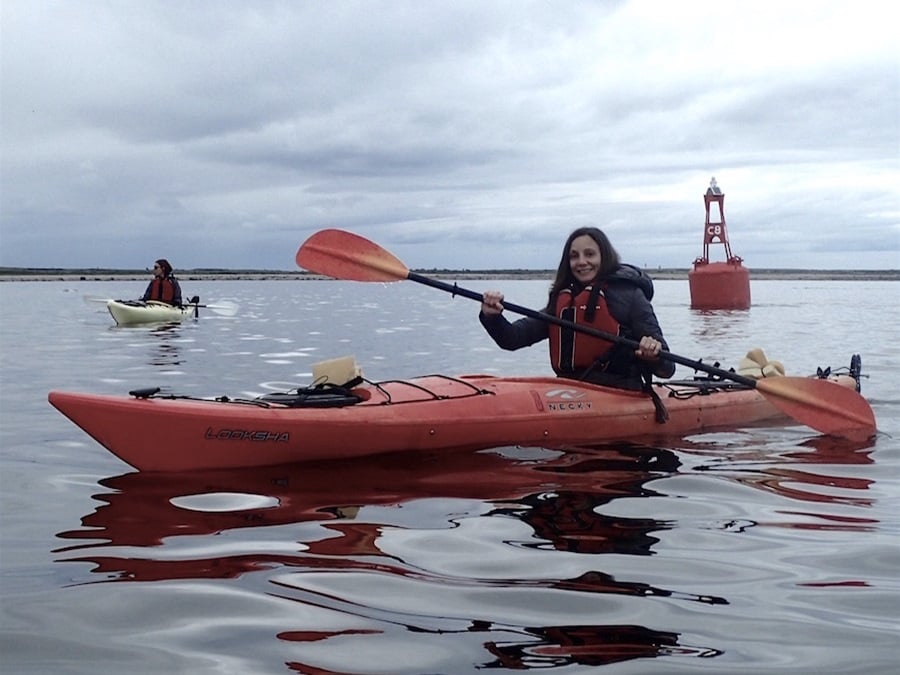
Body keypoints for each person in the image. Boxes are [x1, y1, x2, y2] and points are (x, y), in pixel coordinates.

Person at [479, 227, 675, 392]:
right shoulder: (563, 300)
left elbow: (667, 369)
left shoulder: (630, 296)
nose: (581, 262)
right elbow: (512, 338)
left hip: (620, 393)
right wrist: (492, 317)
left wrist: (653, 354)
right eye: (574, 256)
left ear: (604, 256)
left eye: (589, 254)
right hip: (569, 390)